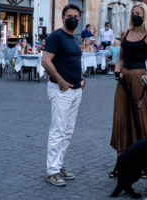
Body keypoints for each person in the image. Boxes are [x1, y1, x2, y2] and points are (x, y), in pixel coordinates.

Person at [109, 2, 147, 178]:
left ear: (144, 16)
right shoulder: (125, 33)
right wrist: (116, 70)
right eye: (134, 13)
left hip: (139, 80)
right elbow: (120, 59)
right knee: (121, 119)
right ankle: (121, 164)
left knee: (143, 121)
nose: (136, 15)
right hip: (123, 80)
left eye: (139, 13)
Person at [41, 3, 86, 187]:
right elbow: (45, 61)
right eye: (69, 16)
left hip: (76, 91)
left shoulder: (75, 39)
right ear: (63, 18)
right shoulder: (55, 36)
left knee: (67, 132)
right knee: (58, 131)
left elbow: (75, 61)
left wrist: (82, 79)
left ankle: (58, 167)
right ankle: (51, 171)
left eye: (76, 15)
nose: (73, 18)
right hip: (61, 91)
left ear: (80, 19)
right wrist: (60, 80)